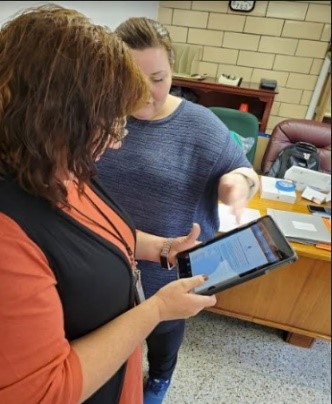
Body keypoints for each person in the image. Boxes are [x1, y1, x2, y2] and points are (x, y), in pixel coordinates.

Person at [0, 5, 217, 404]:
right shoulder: (7, 234)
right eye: (109, 123)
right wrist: (153, 312)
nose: (117, 140)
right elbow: (46, 391)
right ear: (55, 121)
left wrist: (162, 247)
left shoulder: (59, 165)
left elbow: (89, 236)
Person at [97, 17, 260, 404]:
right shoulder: (98, 117)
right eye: (130, 79)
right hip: (106, 264)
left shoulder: (201, 126)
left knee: (164, 338)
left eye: (158, 77)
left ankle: (160, 381)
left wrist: (238, 184)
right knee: (111, 341)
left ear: (173, 71)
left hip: (168, 273)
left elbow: (245, 173)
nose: (146, 93)